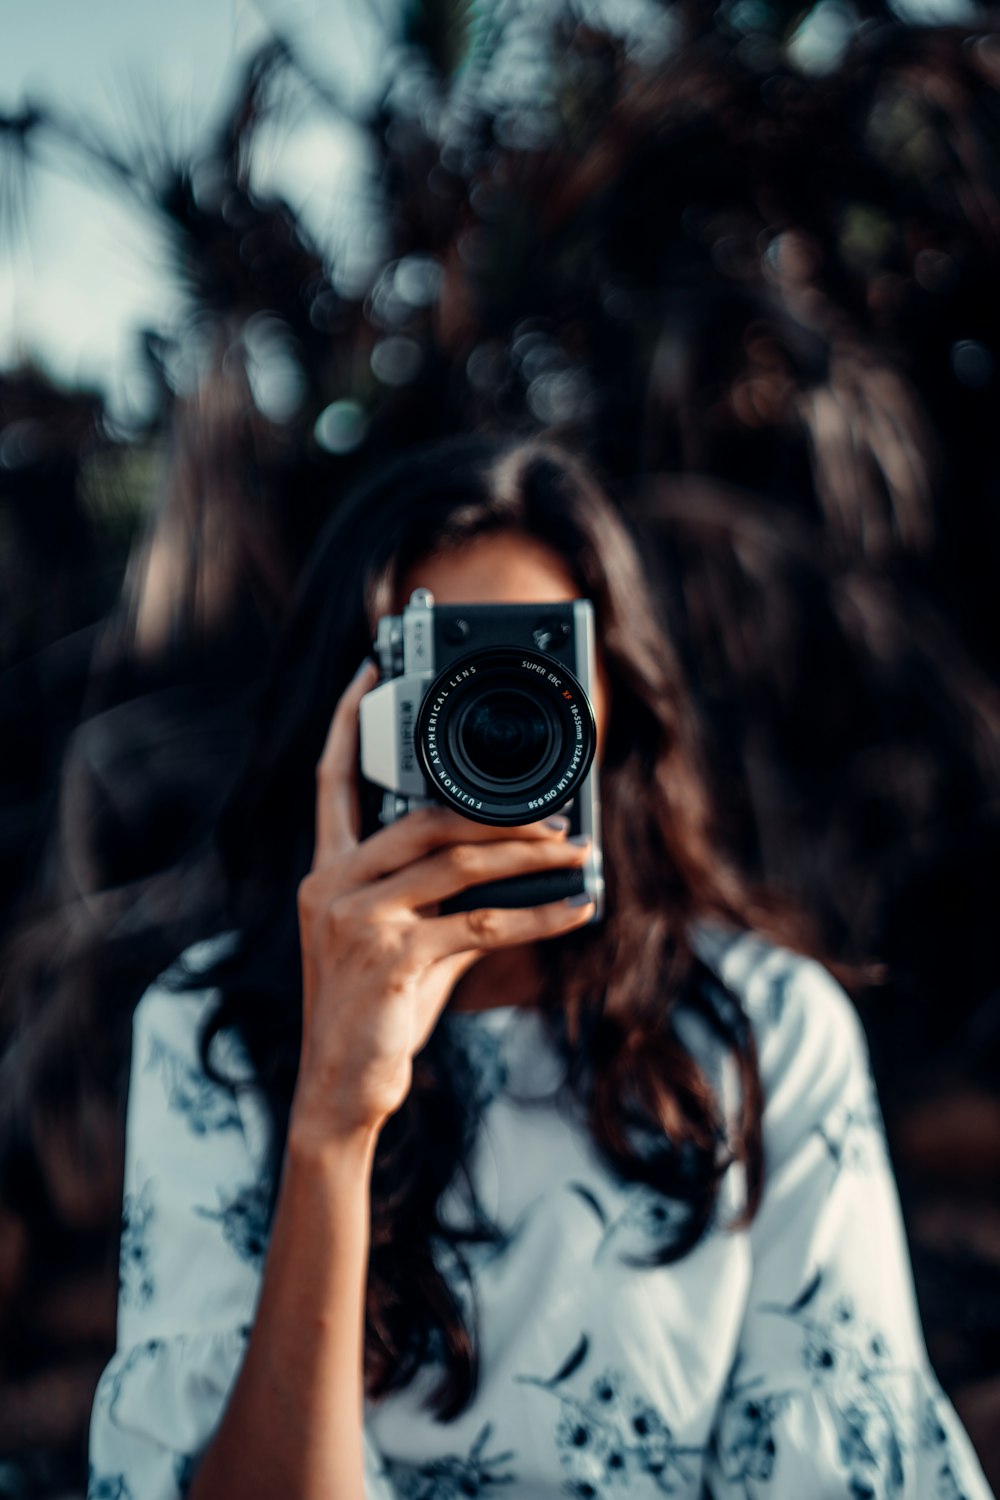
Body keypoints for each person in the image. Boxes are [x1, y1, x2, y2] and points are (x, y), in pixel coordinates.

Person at [87, 432, 995, 1500]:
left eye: (537, 661)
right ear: (357, 725)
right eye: (450, 670)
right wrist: (332, 1123)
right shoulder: (213, 1034)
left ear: (611, 702)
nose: (498, 713)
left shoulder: (768, 1030)